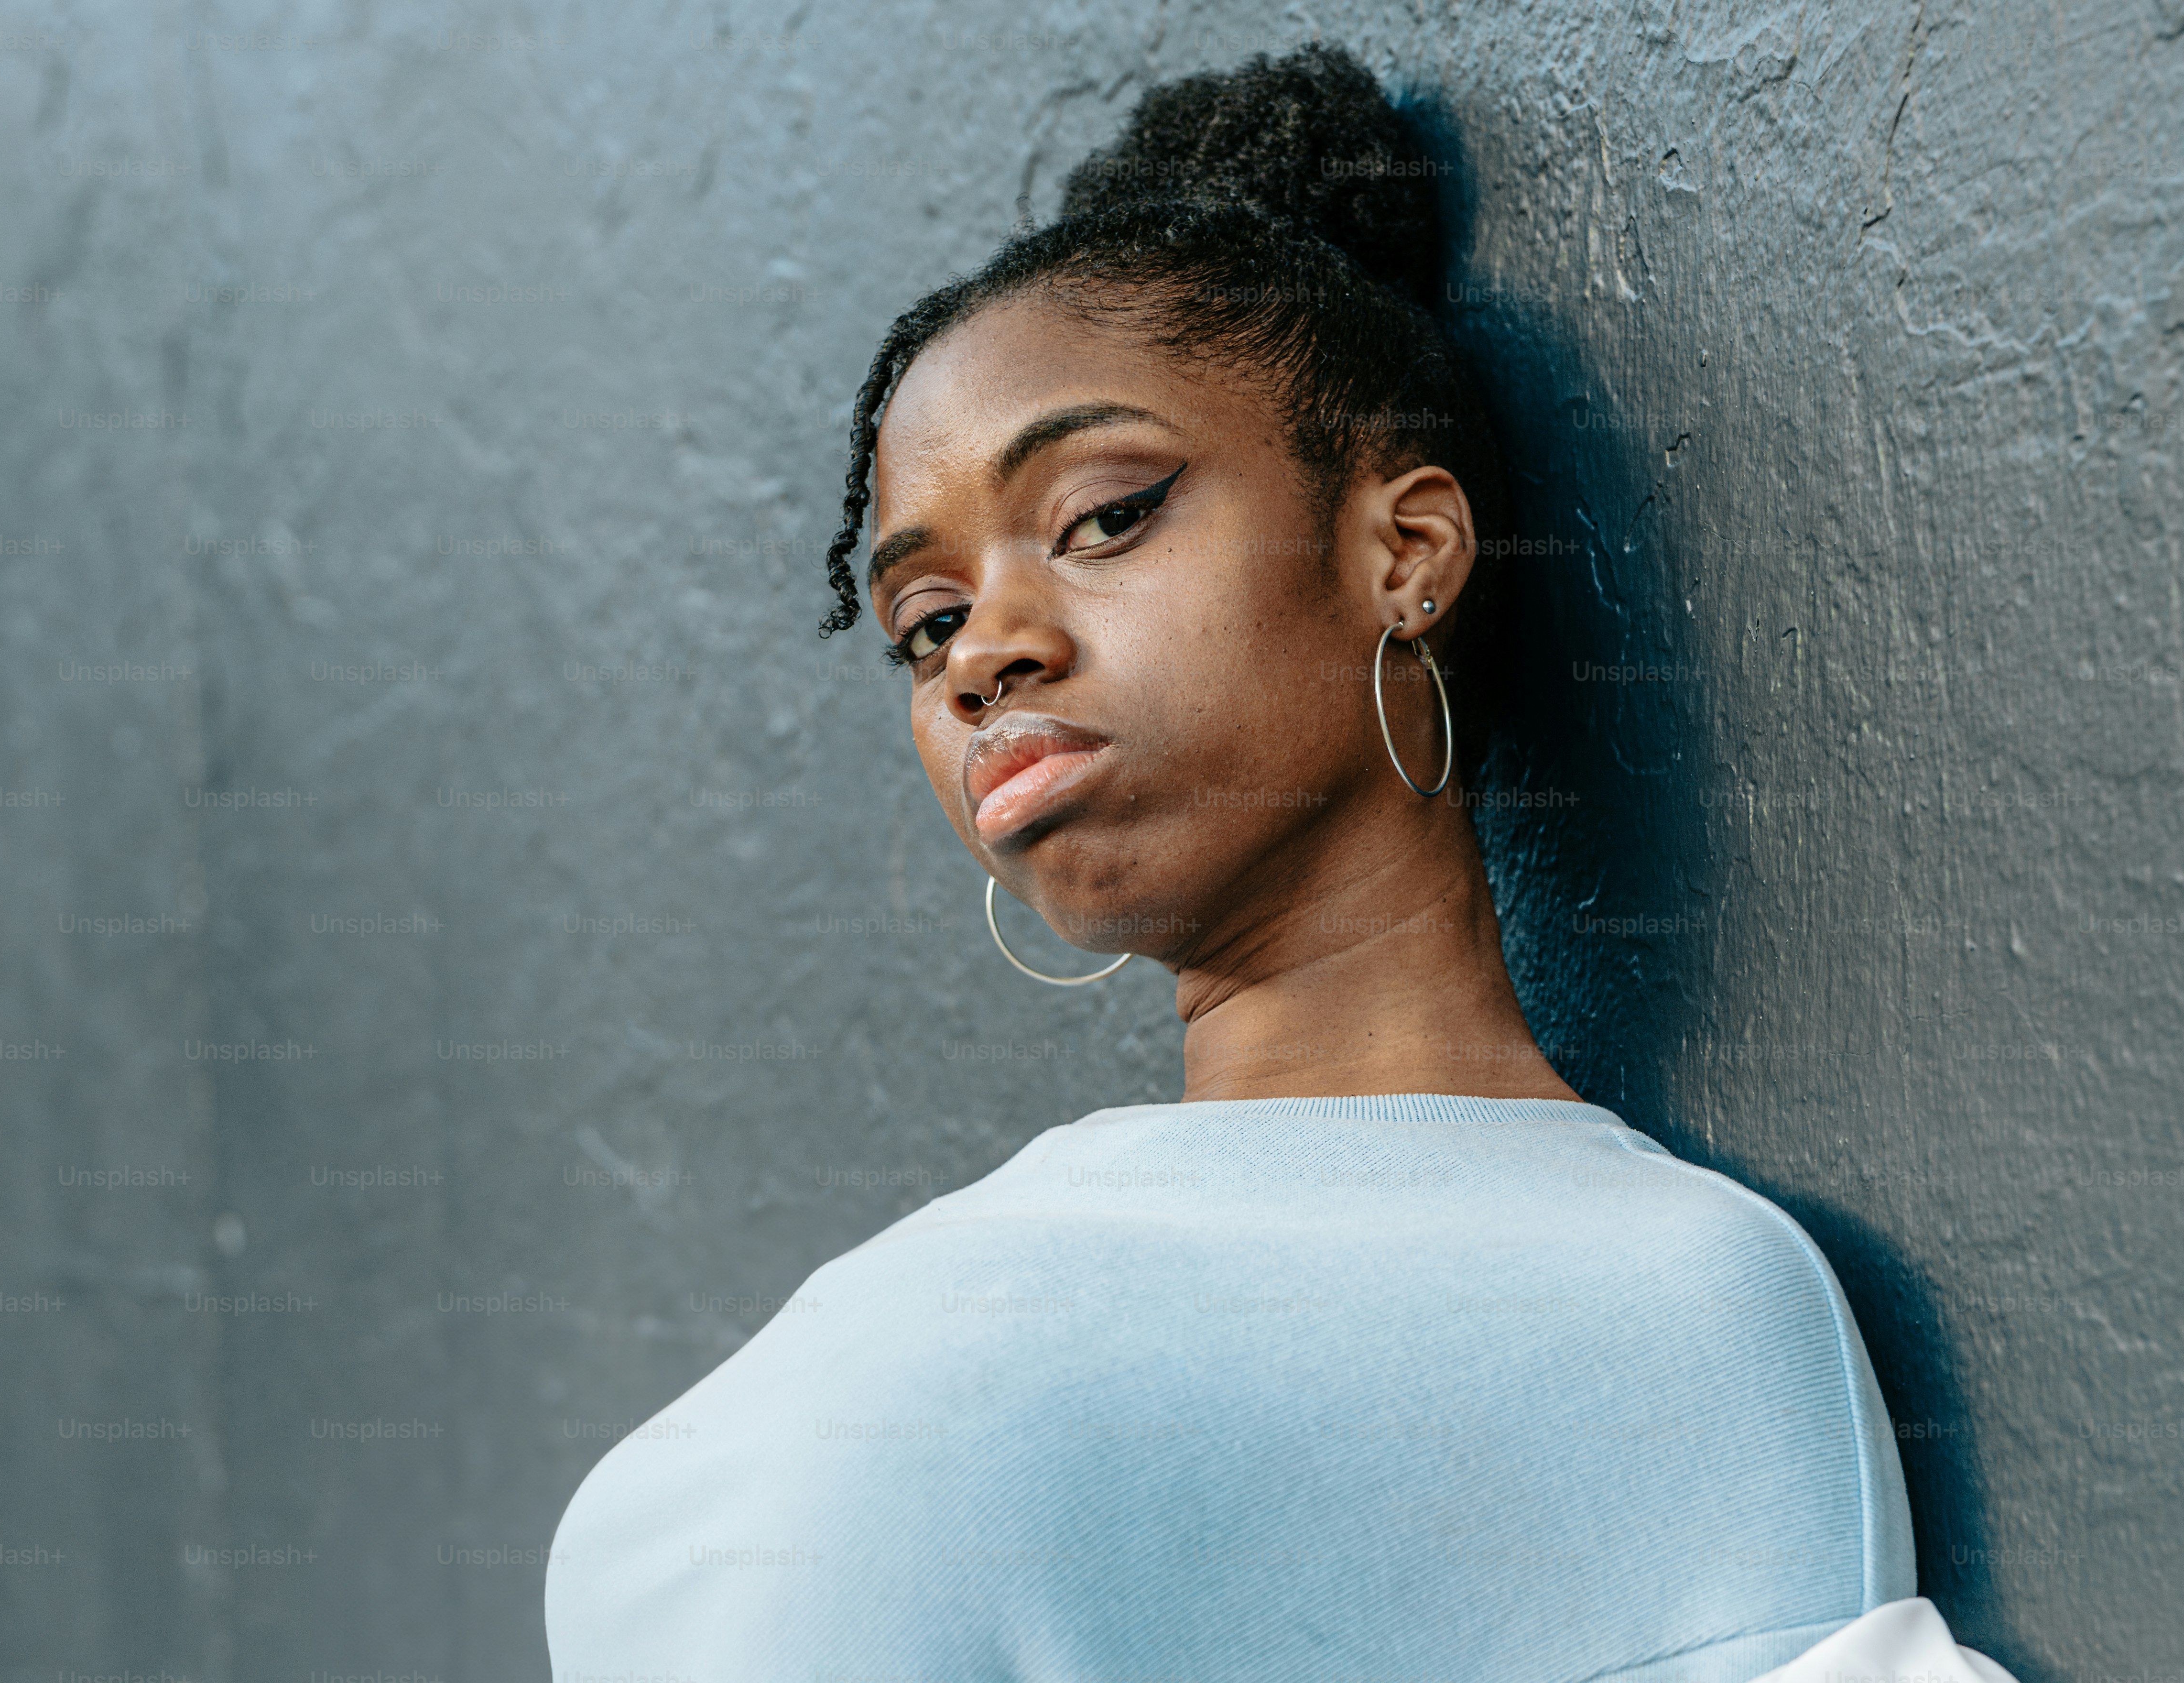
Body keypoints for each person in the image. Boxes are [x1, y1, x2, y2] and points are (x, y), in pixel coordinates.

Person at [545, 44, 2015, 1683]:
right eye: (927, 622)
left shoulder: (1725, 1318)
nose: (983, 658)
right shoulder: (909, 1376)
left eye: (1105, 517)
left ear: (1406, 550)